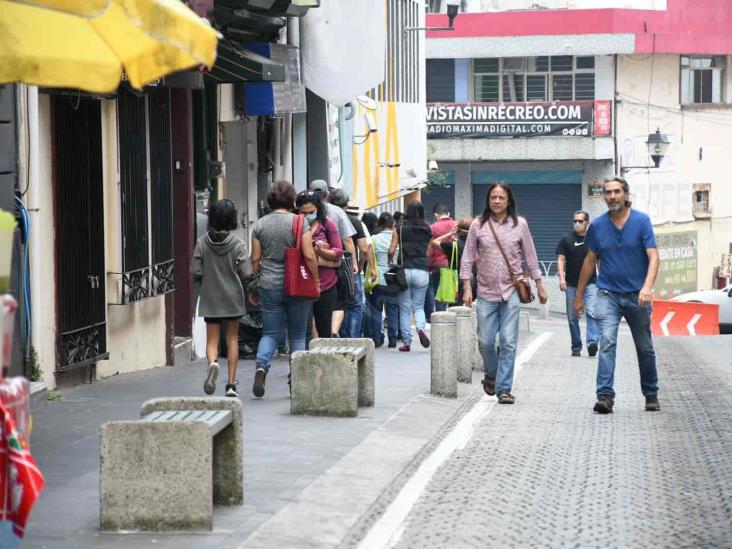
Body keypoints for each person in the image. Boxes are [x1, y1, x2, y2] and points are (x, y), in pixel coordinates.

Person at [574, 176, 660, 414]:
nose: (612, 197)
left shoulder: (642, 221)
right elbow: (590, 261)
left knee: (644, 346)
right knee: (608, 341)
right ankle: (605, 396)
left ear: (626, 194)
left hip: (637, 295)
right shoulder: (598, 226)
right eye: (608, 193)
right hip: (607, 294)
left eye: (616, 192)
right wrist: (579, 295)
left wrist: (647, 287)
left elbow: (653, 256)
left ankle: (651, 393)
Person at [461, 182, 547, 404]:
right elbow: (468, 257)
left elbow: (530, 255)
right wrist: (467, 287)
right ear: (488, 201)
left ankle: (504, 389)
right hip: (485, 292)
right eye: (493, 198)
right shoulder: (478, 225)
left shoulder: (520, 225)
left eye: (501, 197)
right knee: (485, 341)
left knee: (508, 342)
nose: (497, 201)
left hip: (511, 293)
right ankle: (492, 374)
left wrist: (539, 284)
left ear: (509, 201)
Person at [250, 181, 319, 398]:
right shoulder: (299, 222)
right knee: (298, 335)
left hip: (269, 284)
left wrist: (255, 284)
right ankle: (296, 380)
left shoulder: (260, 225)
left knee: (270, 332)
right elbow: (308, 255)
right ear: (292, 200)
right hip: (296, 284)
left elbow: (255, 259)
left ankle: (262, 366)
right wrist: (315, 279)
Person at [190, 199, 252, 398]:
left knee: (212, 340)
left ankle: (213, 364)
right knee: (232, 338)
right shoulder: (238, 244)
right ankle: (232, 385)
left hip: (210, 296)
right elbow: (246, 272)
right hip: (232, 297)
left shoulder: (202, 242)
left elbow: (195, 270)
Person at [329, 190, 377, 338]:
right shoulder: (354, 221)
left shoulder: (324, 218)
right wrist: (361, 265)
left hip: (328, 266)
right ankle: (353, 338)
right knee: (355, 305)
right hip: (349, 267)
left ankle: (336, 334)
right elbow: (364, 248)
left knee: (336, 304)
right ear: (346, 204)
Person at [296, 190, 343, 339]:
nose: (307, 216)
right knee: (303, 330)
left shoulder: (327, 224)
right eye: (303, 213)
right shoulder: (294, 225)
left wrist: (319, 250)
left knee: (324, 329)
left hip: (326, 285)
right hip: (301, 284)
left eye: (311, 212)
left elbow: (338, 252)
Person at [389, 201, 432, 351]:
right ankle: (421, 328)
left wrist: (390, 260)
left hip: (404, 270)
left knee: (405, 307)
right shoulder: (427, 228)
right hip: (422, 269)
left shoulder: (399, 227)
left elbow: (392, 248)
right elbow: (429, 251)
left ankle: (407, 342)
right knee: (418, 306)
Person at [556, 210, 599, 358]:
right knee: (572, 317)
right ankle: (576, 346)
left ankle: (592, 342)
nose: (577, 224)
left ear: (587, 222)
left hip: (591, 283)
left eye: (580, 221)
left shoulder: (593, 239)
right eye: (575, 221)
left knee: (592, 311)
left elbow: (598, 260)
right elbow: (561, 260)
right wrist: (561, 278)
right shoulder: (566, 239)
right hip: (571, 285)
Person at [367, 212, 400, 347]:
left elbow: (368, 254)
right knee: (392, 308)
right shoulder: (396, 238)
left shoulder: (374, 238)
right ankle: (392, 340)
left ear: (379, 224)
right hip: (393, 277)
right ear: (393, 224)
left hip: (378, 277)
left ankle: (377, 339)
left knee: (376, 309)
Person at [431, 216, 474, 304]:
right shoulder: (476, 245)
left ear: (458, 230)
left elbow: (434, 242)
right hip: (473, 281)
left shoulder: (452, 245)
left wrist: (450, 233)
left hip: (456, 282)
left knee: (455, 311)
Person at [425, 204, 457, 319]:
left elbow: (430, 249)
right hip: (455, 266)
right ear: (448, 214)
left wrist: (428, 267)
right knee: (455, 296)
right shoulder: (457, 225)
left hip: (438, 266)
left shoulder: (432, 228)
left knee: (440, 297)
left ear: (435, 215)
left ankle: (441, 322)